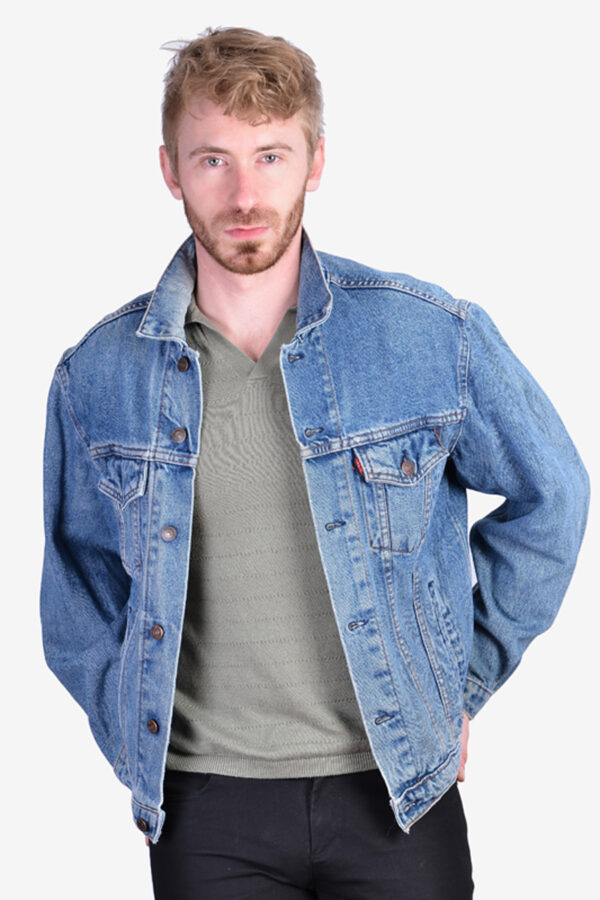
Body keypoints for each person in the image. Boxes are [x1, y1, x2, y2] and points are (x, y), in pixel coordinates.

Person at [40, 26, 589, 900]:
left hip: (396, 790)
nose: (245, 194)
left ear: (316, 162)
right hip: (206, 808)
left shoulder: (426, 334)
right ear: (170, 171)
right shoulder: (99, 374)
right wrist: (131, 728)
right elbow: (77, 585)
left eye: (271, 156)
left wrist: (459, 681)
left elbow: (553, 496)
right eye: (213, 160)